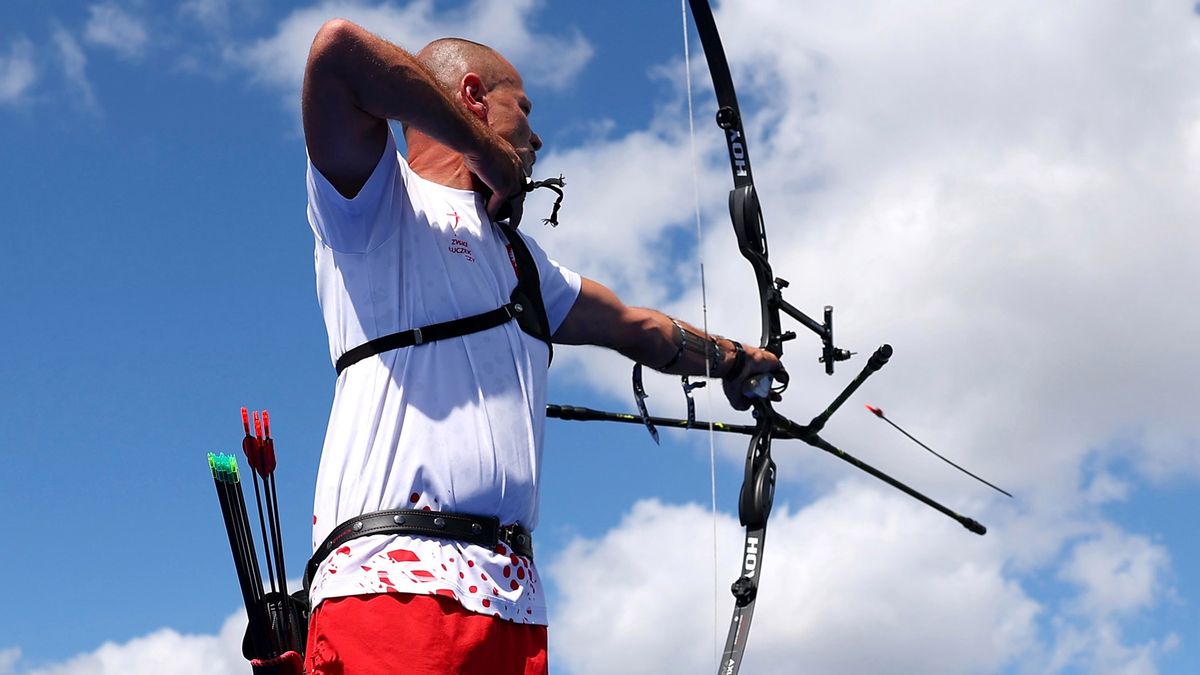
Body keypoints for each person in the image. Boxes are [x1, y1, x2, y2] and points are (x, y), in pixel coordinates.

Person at [301, 18, 783, 675]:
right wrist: (487, 152)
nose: (538, 136)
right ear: (472, 95)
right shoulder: (377, 205)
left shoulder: (525, 263)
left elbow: (634, 326)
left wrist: (733, 360)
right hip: (397, 585)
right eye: (522, 109)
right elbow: (337, 53)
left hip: (513, 601)